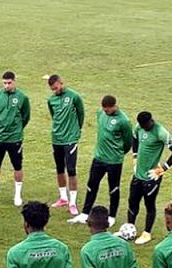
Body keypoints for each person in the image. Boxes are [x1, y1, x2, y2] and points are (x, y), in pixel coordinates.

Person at [69, 96, 132, 227]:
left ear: (114, 106)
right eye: (104, 109)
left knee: (113, 188)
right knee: (91, 184)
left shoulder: (124, 121)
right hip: (99, 158)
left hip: (114, 161)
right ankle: (85, 213)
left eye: (108, 109)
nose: (105, 111)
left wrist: (118, 153)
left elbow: (128, 142)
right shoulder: (100, 113)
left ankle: (112, 216)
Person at [126, 111, 172, 245]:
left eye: (145, 125)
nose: (144, 128)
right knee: (132, 202)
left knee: (149, 205)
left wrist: (163, 168)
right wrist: (135, 156)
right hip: (138, 175)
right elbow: (134, 138)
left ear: (151, 121)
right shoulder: (139, 127)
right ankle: (129, 228)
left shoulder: (161, 133)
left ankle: (147, 233)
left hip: (151, 178)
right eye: (142, 125)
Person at [0, 71, 30, 206]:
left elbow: (26, 116)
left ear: (14, 82)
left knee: (17, 166)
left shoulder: (22, 97)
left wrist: (17, 129)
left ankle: (17, 195)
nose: (6, 86)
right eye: (4, 83)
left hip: (14, 138)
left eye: (9, 83)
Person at [47, 75, 85, 215]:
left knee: (71, 169)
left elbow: (81, 114)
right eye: (52, 89)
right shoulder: (51, 100)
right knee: (59, 169)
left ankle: (73, 202)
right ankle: (63, 198)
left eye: (56, 88)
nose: (55, 91)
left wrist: (76, 131)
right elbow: (54, 116)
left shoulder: (74, 97)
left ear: (61, 83)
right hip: (56, 138)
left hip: (70, 138)